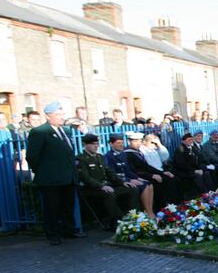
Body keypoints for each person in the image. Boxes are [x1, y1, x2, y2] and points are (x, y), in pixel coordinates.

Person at [25, 101, 84, 245]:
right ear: (48, 116)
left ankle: (69, 230)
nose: (61, 117)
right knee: (52, 208)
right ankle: (53, 234)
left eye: (62, 114)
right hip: (50, 178)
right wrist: (42, 170)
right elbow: (32, 156)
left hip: (68, 177)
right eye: (57, 115)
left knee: (68, 206)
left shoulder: (66, 131)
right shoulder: (39, 132)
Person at [76, 133, 140, 229]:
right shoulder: (80, 159)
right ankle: (116, 222)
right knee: (109, 194)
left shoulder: (99, 157)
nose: (96, 146)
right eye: (93, 144)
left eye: (97, 143)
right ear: (85, 144)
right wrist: (101, 186)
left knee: (132, 189)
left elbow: (109, 172)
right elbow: (86, 178)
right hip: (92, 188)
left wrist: (122, 182)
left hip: (105, 186)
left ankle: (132, 217)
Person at [104, 133, 155, 216]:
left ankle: (150, 210)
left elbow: (128, 170)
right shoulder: (108, 156)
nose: (121, 145)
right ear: (111, 144)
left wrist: (137, 178)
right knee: (143, 186)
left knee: (149, 184)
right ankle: (147, 211)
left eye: (122, 143)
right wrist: (129, 180)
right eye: (118, 143)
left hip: (128, 178)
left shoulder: (123, 154)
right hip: (119, 182)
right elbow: (112, 174)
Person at [172, 132, 209, 199]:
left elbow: (199, 158)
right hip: (183, 171)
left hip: (192, 169)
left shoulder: (192, 148)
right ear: (183, 141)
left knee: (206, 172)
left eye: (191, 140)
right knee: (197, 176)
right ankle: (203, 194)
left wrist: (200, 168)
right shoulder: (180, 149)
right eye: (189, 140)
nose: (191, 141)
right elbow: (182, 165)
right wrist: (195, 170)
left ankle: (209, 190)